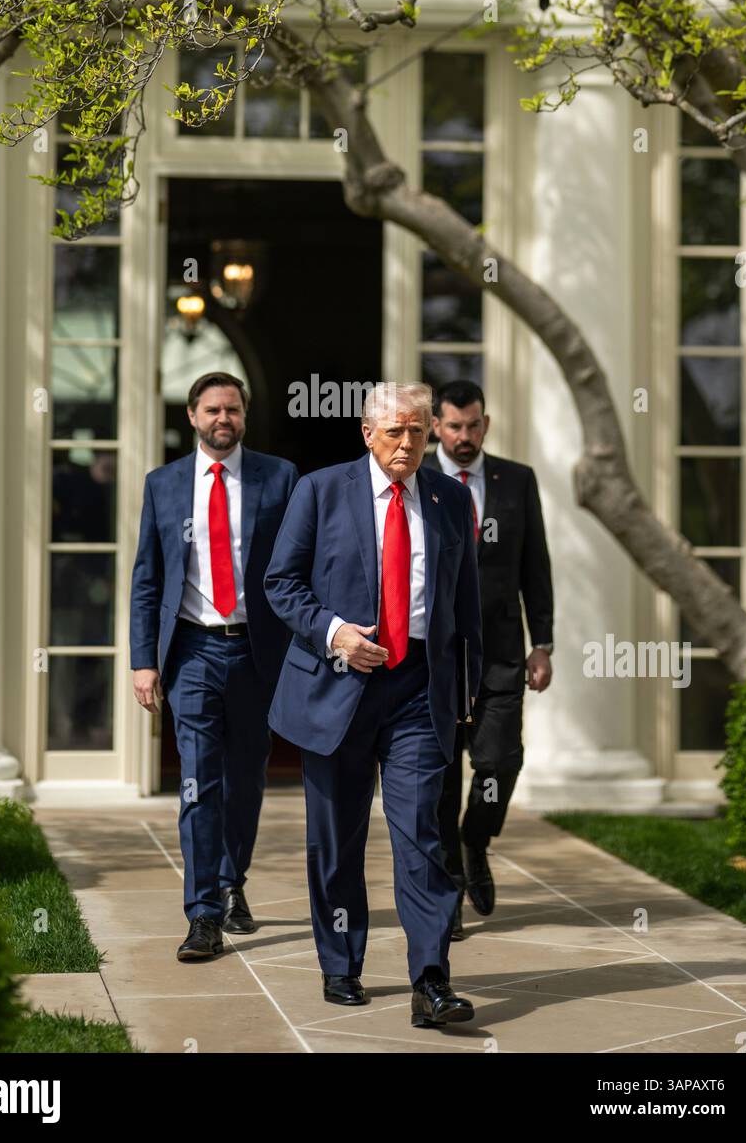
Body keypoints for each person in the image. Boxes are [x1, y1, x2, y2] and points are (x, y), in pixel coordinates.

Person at [264, 382, 482, 1029]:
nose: (408, 443)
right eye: (395, 431)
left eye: (418, 431)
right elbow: (281, 581)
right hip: (338, 685)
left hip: (419, 689)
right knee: (338, 839)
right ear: (367, 433)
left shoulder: (450, 498)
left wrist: (464, 693)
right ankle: (341, 962)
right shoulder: (320, 490)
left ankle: (431, 981)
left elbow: (464, 607)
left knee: (421, 836)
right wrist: (335, 632)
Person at [130, 372, 298, 961]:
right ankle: (203, 915)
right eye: (211, 410)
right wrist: (143, 662)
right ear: (192, 416)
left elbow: (300, 565)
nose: (222, 419)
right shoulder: (164, 484)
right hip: (193, 651)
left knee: (247, 779)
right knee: (199, 783)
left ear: (244, 416)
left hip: (258, 652)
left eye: (232, 410)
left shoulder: (279, 478)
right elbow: (147, 579)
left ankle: (233, 881)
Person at [426, 380, 554, 938]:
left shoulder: (516, 480)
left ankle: (476, 840)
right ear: (435, 426)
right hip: (435, 655)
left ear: (487, 424)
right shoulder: (417, 479)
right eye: (453, 426)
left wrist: (542, 643)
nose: (464, 436)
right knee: (443, 775)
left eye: (473, 425)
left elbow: (536, 565)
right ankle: (449, 883)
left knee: (499, 762)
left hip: (501, 652)